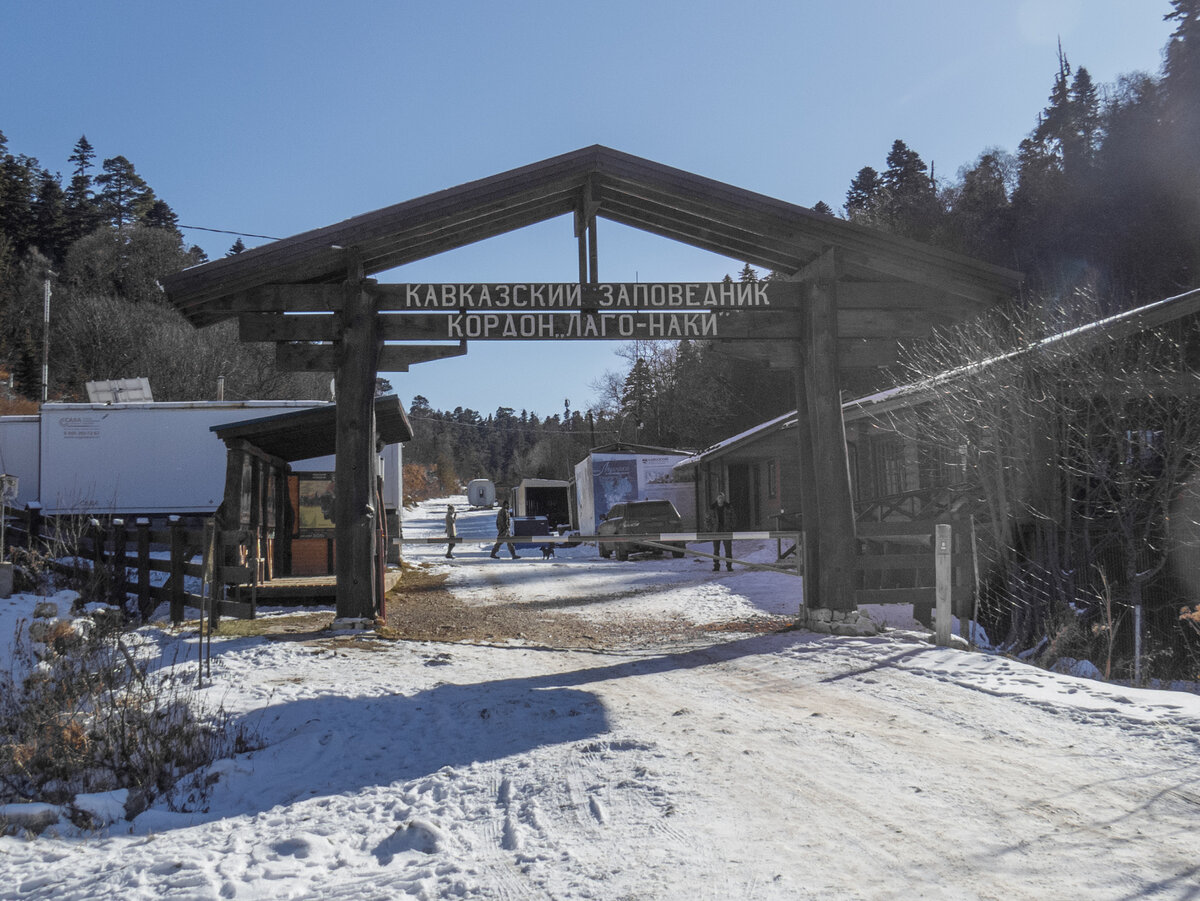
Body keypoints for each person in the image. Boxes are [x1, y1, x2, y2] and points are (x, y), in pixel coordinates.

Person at [709, 492, 733, 572]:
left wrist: (731, 526)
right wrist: (710, 528)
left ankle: (729, 566)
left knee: (728, 549)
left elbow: (733, 518)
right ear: (716, 499)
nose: (720, 499)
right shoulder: (712, 508)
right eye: (719, 497)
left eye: (722, 497)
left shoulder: (728, 507)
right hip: (716, 530)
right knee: (716, 549)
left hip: (726, 530)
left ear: (724, 499)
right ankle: (716, 566)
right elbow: (707, 519)